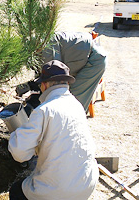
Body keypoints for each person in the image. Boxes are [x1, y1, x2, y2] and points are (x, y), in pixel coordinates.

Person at [8, 60, 99, 200]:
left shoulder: (44, 111)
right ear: (67, 83)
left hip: (60, 192)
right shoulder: (77, 105)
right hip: (86, 184)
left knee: (16, 191)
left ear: (44, 85)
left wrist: (16, 133)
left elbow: (20, 153)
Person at [40, 31, 107, 112]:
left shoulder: (47, 45)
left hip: (94, 60)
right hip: (87, 54)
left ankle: (73, 122)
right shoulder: (45, 37)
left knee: (74, 100)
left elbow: (54, 75)